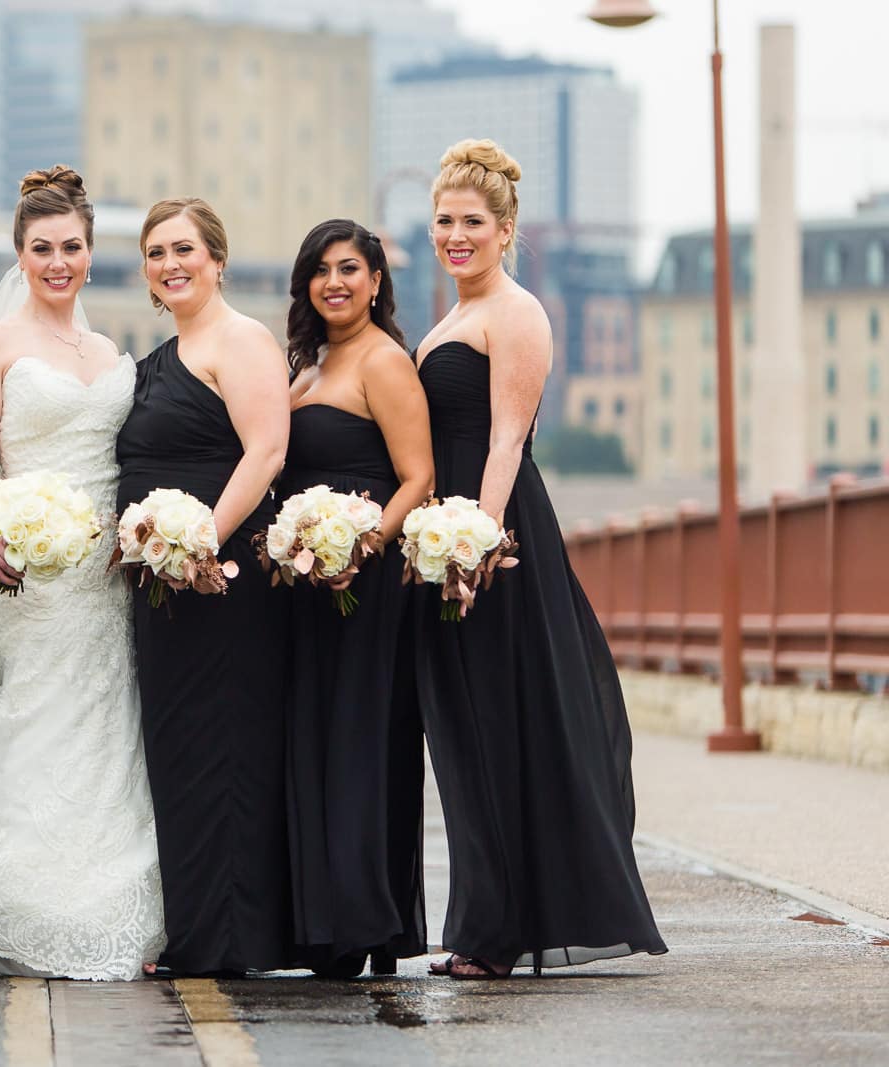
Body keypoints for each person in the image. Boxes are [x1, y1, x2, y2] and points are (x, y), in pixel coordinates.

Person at [412, 139, 667, 979]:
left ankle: (497, 930)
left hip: (496, 542)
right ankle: (488, 918)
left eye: (472, 223)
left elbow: (506, 438)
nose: (456, 235)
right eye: (445, 220)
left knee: (500, 722)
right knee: (462, 733)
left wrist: (474, 546)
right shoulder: (447, 318)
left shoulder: (517, 312)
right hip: (444, 539)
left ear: (506, 228)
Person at [0, 166, 164, 981]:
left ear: (89, 250)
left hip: (105, 570)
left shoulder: (108, 348)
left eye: (72, 246)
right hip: (29, 571)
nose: (58, 262)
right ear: (20, 254)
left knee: (109, 717)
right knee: (30, 709)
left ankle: (117, 895)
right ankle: (14, 896)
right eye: (42, 248)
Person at [115, 198, 293, 975]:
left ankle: (227, 938)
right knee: (177, 750)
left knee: (225, 746)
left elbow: (266, 453)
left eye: (184, 248)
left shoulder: (243, 340)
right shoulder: (157, 356)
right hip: (164, 587)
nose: (170, 263)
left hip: (222, 581)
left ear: (216, 259)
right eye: (156, 253)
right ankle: (194, 927)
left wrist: (202, 543)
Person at [279, 220, 433, 977]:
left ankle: (369, 921)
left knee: (364, 743)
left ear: (376, 280)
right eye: (321, 270)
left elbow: (418, 478)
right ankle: (320, 921)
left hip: (366, 585)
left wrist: (362, 540)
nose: (334, 282)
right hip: (306, 584)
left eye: (350, 269)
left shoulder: (383, 360)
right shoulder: (304, 366)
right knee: (312, 741)